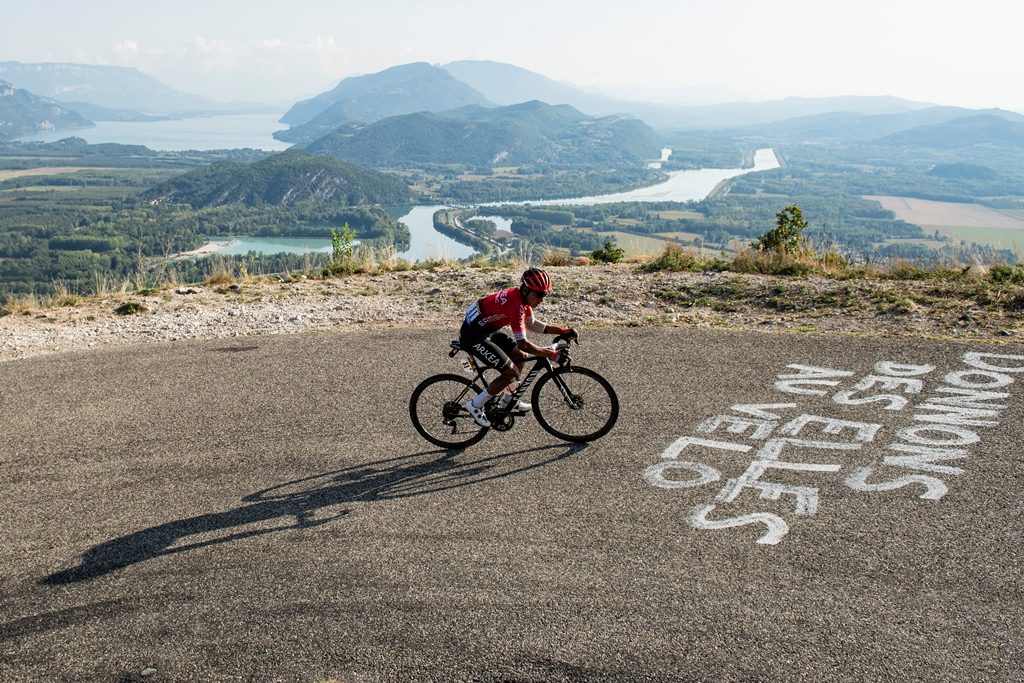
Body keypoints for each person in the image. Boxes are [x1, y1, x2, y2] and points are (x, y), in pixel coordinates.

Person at [460, 267, 577, 427]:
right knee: (510, 373)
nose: (542, 299)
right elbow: (524, 344)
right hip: (473, 337)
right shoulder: (516, 305)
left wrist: (561, 330)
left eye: (545, 294)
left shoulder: (521, 299)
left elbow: (533, 324)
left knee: (520, 357)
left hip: (486, 331)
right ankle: (474, 405)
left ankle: (508, 399)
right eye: (539, 294)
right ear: (526, 289)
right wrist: (552, 354)